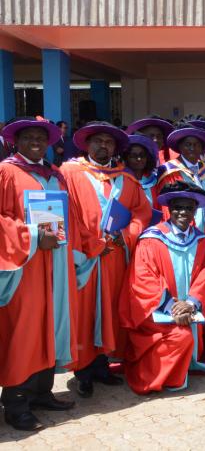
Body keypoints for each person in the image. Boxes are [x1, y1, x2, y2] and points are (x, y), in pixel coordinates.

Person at [61, 121, 152, 398]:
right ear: (86, 144)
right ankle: (83, 371)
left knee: (110, 308)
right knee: (85, 311)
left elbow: (141, 213)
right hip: (84, 258)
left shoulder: (125, 179)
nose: (103, 146)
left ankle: (102, 365)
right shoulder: (69, 174)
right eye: (98, 141)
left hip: (114, 256)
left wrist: (125, 235)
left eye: (109, 142)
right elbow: (67, 215)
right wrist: (91, 245)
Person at [0, 117, 77, 431]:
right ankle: (16, 403)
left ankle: (41, 391)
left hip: (56, 261)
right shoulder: (6, 172)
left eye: (40, 137)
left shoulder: (55, 174)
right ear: (15, 141)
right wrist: (31, 235)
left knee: (52, 324)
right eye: (28, 136)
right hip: (26, 265)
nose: (35, 141)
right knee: (26, 329)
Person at [119, 182, 205, 394]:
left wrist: (191, 303)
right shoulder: (151, 239)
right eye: (177, 207)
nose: (182, 212)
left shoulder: (201, 241)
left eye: (188, 208)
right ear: (168, 209)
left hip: (188, 309)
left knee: (189, 335)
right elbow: (144, 278)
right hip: (156, 309)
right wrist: (172, 307)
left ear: (195, 211)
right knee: (181, 337)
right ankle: (155, 378)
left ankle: (179, 368)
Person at [155, 125, 205, 232]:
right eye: (188, 144)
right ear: (180, 146)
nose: (192, 148)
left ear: (202, 148)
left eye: (196, 144)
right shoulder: (169, 170)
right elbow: (167, 207)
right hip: (178, 231)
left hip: (204, 232)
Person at [123, 134, 161, 211]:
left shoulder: (155, 180)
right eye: (134, 156)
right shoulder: (120, 180)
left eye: (142, 155)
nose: (139, 159)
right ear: (126, 158)